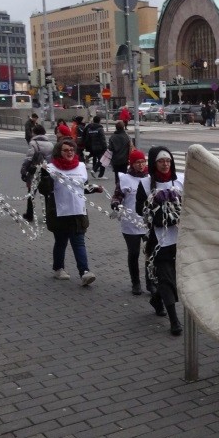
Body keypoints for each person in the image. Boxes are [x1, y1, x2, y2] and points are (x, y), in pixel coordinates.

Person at [38, 137, 103, 286]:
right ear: (59, 152)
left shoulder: (80, 166)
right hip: (59, 211)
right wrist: (45, 175)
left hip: (78, 211)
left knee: (78, 242)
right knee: (61, 242)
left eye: (72, 150)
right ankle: (58, 268)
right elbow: (44, 190)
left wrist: (94, 188)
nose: (69, 152)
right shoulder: (51, 168)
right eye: (66, 150)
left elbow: (82, 187)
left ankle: (84, 272)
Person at [145, 146, 185, 336]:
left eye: (168, 160)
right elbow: (140, 210)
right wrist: (160, 214)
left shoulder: (180, 181)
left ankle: (157, 298)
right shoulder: (145, 185)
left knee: (173, 277)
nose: (165, 164)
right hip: (159, 241)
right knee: (166, 278)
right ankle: (174, 320)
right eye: (161, 161)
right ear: (154, 163)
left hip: (179, 239)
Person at [111, 148, 150, 296]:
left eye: (142, 162)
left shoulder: (150, 177)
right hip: (131, 222)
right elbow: (117, 196)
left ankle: (150, 282)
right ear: (131, 164)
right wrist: (115, 203)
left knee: (150, 254)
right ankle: (136, 283)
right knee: (134, 253)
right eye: (137, 162)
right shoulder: (125, 179)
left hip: (147, 223)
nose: (141, 165)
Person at [22, 123, 53, 222]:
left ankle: (29, 214)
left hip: (34, 171)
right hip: (46, 172)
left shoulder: (33, 143)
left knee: (31, 194)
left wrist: (23, 170)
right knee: (46, 194)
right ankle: (49, 215)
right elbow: (51, 159)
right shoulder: (50, 143)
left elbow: (29, 158)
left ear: (34, 133)